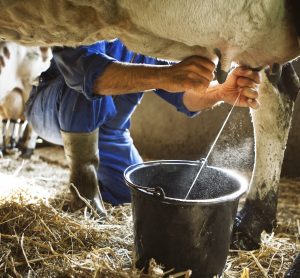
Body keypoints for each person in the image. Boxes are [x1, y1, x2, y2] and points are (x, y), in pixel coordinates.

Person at [25, 39, 261, 216]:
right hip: (52, 107)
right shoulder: (93, 15)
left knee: (137, 196)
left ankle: (103, 184)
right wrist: (167, 76)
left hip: (110, 133)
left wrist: (220, 92)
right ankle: (83, 190)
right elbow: (84, 72)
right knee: (87, 86)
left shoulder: (148, 38)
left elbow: (185, 96)